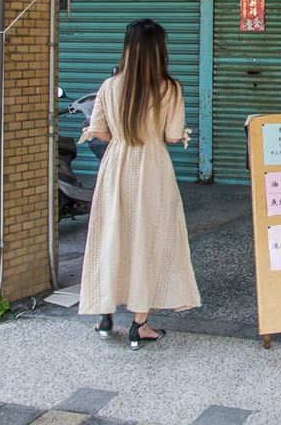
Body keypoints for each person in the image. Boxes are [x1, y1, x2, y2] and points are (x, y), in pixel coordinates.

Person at [79, 18, 200, 350]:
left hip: (115, 163)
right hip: (152, 167)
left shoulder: (110, 86)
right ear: (159, 49)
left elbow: (100, 132)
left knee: (112, 234)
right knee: (149, 238)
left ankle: (105, 315)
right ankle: (139, 324)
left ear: (128, 47)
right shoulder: (169, 88)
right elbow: (174, 135)